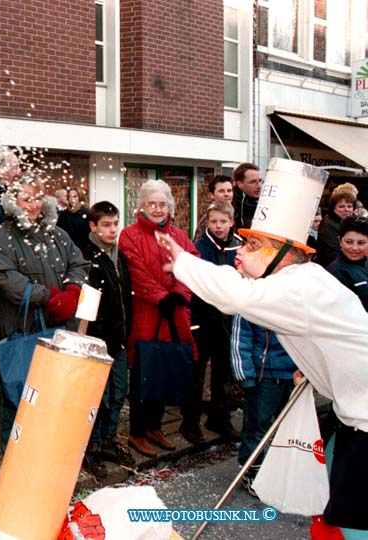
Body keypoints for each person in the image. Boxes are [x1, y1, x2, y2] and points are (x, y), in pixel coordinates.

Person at [158, 158, 368, 534]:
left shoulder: (298, 286)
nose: (241, 251)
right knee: (341, 511)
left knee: (353, 520)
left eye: (254, 245)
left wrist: (183, 262)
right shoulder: (301, 281)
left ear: (283, 252)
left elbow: (238, 297)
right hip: (355, 414)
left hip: (365, 421)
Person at [0, 176, 89, 450]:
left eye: (37, 198)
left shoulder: (58, 234)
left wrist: (73, 289)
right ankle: (14, 464)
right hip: (24, 333)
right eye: (26, 199)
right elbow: (9, 281)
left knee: (53, 404)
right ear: (13, 202)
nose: (32, 205)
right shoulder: (0, 238)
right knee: (19, 403)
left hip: (59, 333)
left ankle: (45, 460)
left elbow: (78, 263)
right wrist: (50, 297)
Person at [118, 179, 199, 458]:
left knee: (166, 371)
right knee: (144, 373)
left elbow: (192, 265)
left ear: (170, 206)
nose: (157, 209)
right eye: (151, 204)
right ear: (141, 205)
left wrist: (179, 294)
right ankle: (137, 431)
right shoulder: (130, 235)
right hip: (147, 314)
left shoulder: (179, 234)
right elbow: (135, 271)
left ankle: (154, 427)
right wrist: (160, 296)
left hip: (175, 314)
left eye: (162, 204)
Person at [80, 201, 135, 477]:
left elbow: (124, 297)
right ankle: (91, 446)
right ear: (93, 226)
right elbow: (88, 306)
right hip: (98, 341)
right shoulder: (88, 257)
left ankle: (109, 439)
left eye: (115, 223)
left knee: (117, 393)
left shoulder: (119, 256)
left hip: (119, 339)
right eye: (106, 225)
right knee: (97, 398)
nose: (113, 229)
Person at [180, 202, 240, 445]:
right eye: (214, 222)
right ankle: (190, 421)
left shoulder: (238, 246)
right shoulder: (200, 247)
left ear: (231, 222)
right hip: (203, 316)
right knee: (197, 373)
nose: (218, 226)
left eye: (223, 222)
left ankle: (219, 418)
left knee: (222, 373)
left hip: (227, 318)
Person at [230, 314, 296, 497]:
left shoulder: (292, 296)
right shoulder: (251, 299)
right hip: (264, 374)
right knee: (257, 426)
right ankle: (252, 472)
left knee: (290, 429)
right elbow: (240, 338)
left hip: (293, 373)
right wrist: (245, 375)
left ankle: (280, 472)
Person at [326, 215, 368, 312]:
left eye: (361, 243)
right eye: (349, 242)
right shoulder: (336, 272)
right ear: (340, 241)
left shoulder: (365, 264)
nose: (354, 248)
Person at [317, 184, 357, 268]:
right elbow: (332, 254)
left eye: (349, 206)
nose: (346, 209)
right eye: (341, 206)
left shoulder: (349, 223)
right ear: (333, 208)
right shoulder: (328, 225)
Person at [193, 175, 234, 242]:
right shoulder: (209, 216)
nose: (226, 194)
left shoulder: (234, 212)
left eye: (229, 191)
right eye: (221, 191)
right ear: (212, 195)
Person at [57, 186, 91, 252]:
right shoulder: (64, 215)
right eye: (69, 196)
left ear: (80, 197)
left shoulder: (87, 213)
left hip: (84, 250)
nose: (71, 199)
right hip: (67, 250)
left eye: (75, 196)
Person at [232, 163, 261, 230]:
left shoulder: (264, 203)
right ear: (239, 183)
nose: (259, 186)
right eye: (253, 182)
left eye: (260, 181)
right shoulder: (230, 204)